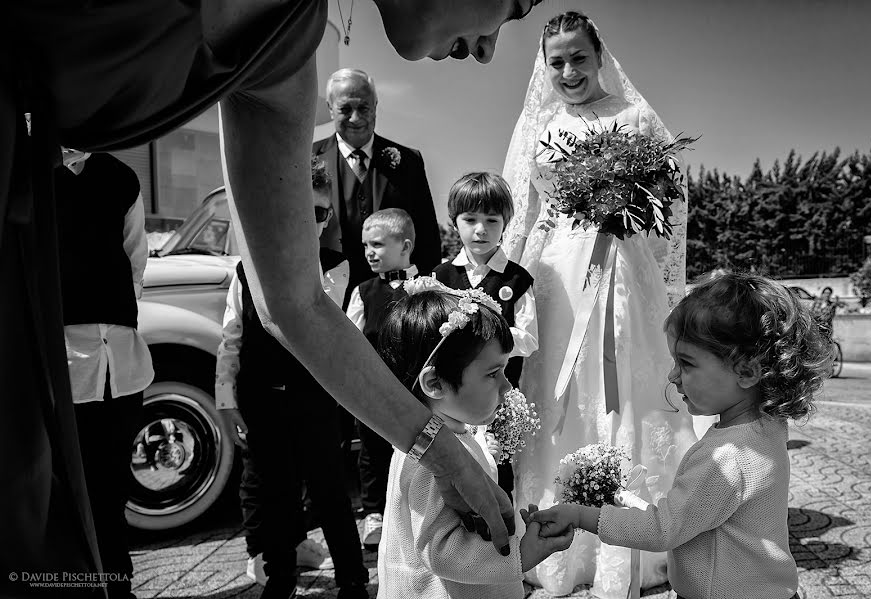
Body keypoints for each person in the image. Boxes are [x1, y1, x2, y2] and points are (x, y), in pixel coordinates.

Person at [3, 1, 542, 585]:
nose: (489, 48)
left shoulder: (287, 50)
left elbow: (296, 302)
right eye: (515, 5)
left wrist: (440, 451)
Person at [499, 11, 700, 596]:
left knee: (625, 391)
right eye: (556, 61)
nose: (568, 70)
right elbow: (520, 213)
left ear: (599, 56)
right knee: (561, 395)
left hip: (625, 272)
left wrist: (634, 214)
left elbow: (671, 201)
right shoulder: (539, 123)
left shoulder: (633, 117)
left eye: (578, 57)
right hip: (559, 277)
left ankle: (637, 538)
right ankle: (561, 541)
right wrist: (501, 290)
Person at [525, 271, 834, 599]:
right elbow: (695, 514)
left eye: (686, 363)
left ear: (746, 371)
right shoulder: (767, 428)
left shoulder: (726, 457)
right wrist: (626, 499)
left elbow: (663, 530)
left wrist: (579, 515)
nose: (673, 376)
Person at [215, 158, 367, 599]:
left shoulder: (339, 269)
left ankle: (352, 579)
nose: (310, 221)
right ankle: (279, 577)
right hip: (261, 397)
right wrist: (226, 397)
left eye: (319, 213)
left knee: (330, 492)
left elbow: (339, 336)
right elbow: (231, 339)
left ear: (327, 218)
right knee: (274, 492)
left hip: (315, 399)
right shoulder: (248, 269)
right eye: (301, 210)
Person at [375, 279, 575, 599]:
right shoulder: (427, 463)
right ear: (436, 383)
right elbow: (440, 550)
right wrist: (521, 553)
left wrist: (486, 452)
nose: (507, 387)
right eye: (493, 373)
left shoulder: (453, 429)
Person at [56, 150, 153, 599]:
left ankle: (118, 587)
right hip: (58, 360)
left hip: (119, 360)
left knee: (112, 488)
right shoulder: (29, 165)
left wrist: (111, 305)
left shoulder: (121, 176)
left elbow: (135, 259)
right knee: (63, 492)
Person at [432, 172, 538, 499]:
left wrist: (486, 331)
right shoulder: (442, 276)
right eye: (470, 219)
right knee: (454, 470)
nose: (481, 229)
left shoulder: (518, 279)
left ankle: (499, 538)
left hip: (498, 396)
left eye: (492, 220)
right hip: (451, 398)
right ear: (455, 222)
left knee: (496, 471)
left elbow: (530, 340)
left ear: (505, 223)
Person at [314, 68, 441, 308]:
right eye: (344, 109)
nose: (355, 118)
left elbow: (427, 238)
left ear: (375, 105)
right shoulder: (307, 158)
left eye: (363, 108)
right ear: (330, 108)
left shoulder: (409, 162)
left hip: (395, 301)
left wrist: (426, 300)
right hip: (328, 300)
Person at [345, 208, 419, 550]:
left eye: (376, 244)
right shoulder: (364, 292)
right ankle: (374, 514)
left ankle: (417, 512)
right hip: (376, 391)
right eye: (364, 246)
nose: (368, 253)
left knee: (415, 450)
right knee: (372, 453)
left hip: (416, 391)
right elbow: (350, 340)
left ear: (404, 247)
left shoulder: (426, 286)